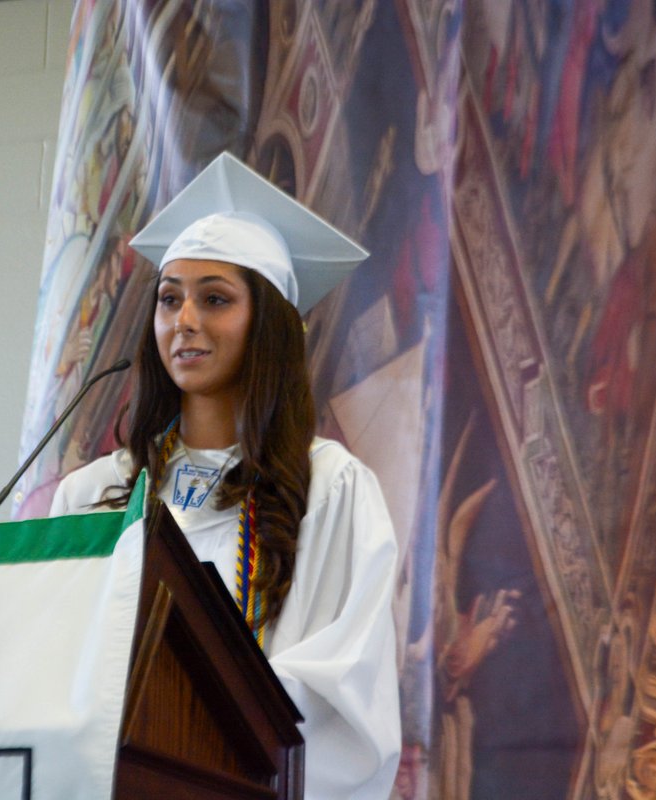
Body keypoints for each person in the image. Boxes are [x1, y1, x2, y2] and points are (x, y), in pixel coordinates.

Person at [50, 152, 402, 798]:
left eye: (215, 300)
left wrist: (181, 725)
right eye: (169, 299)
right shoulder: (95, 494)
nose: (184, 321)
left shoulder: (330, 489)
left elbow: (345, 687)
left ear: (266, 325)